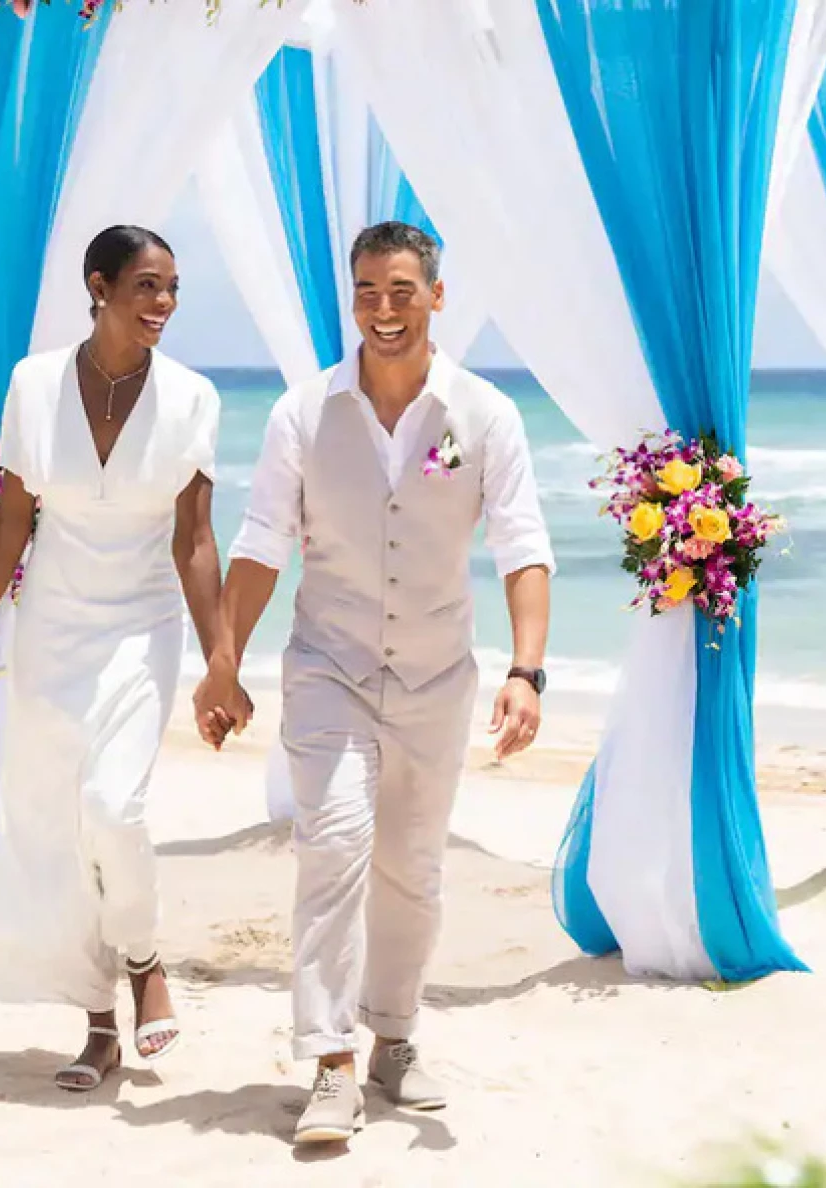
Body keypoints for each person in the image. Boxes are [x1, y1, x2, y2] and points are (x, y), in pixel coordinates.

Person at [193, 221, 553, 1144]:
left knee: (414, 870)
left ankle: (394, 1035)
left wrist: (527, 670)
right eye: (365, 291)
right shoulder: (303, 413)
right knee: (335, 848)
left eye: (400, 290)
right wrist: (223, 664)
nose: (382, 309)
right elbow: (262, 545)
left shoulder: (486, 415)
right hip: (329, 668)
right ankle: (329, 1062)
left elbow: (522, 547)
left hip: (439, 677)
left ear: (438, 296)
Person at [0, 225, 227, 1092]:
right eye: (147, 286)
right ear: (99, 287)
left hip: (141, 627)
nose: (163, 304)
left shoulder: (194, 397)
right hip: (51, 628)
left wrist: (221, 660)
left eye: (173, 289)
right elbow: (11, 529)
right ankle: (98, 1025)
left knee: (113, 807)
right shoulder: (35, 384)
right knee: (54, 828)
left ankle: (144, 961)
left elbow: (196, 541)